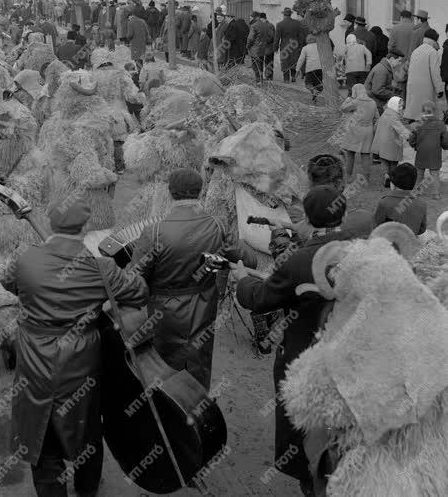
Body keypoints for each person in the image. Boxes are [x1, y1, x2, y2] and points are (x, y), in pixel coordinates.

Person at [2, 195, 148, 497]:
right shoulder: (102, 267)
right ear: (85, 227)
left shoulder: (25, 258)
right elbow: (139, 292)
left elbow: (8, 282)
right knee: (85, 428)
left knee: (40, 432)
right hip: (81, 362)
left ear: (51, 223)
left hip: (33, 357)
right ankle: (86, 489)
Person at [232, 185, 351, 497]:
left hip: (304, 358)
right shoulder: (361, 251)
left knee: (306, 434)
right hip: (349, 359)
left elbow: (259, 299)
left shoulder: (299, 261)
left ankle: (311, 483)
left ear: (307, 218)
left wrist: (242, 278)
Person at [130, 169, 255, 389]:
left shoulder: (154, 231)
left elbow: (134, 282)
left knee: (165, 368)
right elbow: (247, 259)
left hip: (165, 313)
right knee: (200, 361)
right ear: (201, 191)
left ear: (170, 193)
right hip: (204, 307)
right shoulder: (219, 225)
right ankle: (200, 413)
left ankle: (171, 411)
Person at [408, 101, 448, 199]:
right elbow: (445, 139)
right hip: (435, 152)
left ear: (422, 112)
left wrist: (415, 146)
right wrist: (444, 146)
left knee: (419, 173)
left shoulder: (418, 124)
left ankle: (415, 193)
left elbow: (412, 138)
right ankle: (436, 194)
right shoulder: (440, 124)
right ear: (434, 112)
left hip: (421, 151)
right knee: (435, 174)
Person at [373, 162, 427, 234]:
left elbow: (376, 226)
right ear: (414, 182)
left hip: (388, 243)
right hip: (411, 242)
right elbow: (422, 229)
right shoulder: (422, 204)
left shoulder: (384, 202)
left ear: (394, 183)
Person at [339, 84, 378, 181]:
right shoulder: (373, 102)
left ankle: (348, 177)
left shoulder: (355, 102)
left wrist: (349, 99)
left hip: (354, 130)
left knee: (350, 153)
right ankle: (366, 178)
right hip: (368, 131)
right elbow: (377, 118)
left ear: (355, 91)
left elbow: (343, 108)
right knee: (365, 155)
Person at [404, 28, 444, 122]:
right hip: (425, 87)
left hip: (412, 85)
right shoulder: (432, 52)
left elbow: (410, 69)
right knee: (425, 113)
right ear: (434, 40)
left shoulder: (416, 51)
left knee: (414, 111)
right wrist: (439, 89)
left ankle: (414, 129)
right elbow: (435, 72)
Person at [371, 96, 407, 188]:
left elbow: (375, 126)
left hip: (381, 143)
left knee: (384, 161)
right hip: (393, 143)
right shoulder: (394, 117)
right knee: (394, 162)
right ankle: (392, 178)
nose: (401, 108)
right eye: (399, 106)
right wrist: (411, 137)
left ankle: (386, 176)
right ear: (393, 106)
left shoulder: (384, 114)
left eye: (402, 106)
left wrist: (377, 135)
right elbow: (401, 130)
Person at [274, 7, 305, 82]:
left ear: (284, 15)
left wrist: (275, 48)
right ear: (290, 15)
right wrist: (300, 46)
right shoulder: (297, 23)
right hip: (295, 45)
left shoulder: (279, 24)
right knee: (294, 61)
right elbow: (301, 36)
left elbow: (277, 38)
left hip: (284, 45)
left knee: (285, 62)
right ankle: (293, 77)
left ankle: (286, 78)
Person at [296, 35, 323, 103]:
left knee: (308, 84)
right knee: (318, 84)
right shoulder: (320, 46)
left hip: (310, 69)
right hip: (320, 68)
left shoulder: (305, 48)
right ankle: (314, 97)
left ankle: (313, 92)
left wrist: (297, 70)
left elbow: (301, 59)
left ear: (307, 40)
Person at [246, 11, 269, 84]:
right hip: (263, 48)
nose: (250, 19)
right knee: (261, 65)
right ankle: (261, 79)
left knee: (255, 65)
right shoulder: (265, 25)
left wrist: (247, 46)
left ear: (255, 17)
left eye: (251, 17)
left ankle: (258, 80)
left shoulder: (254, 26)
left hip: (255, 49)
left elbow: (250, 38)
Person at [261, 12, 276, 80]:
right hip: (269, 47)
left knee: (268, 61)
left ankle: (268, 76)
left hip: (268, 47)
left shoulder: (268, 26)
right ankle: (269, 76)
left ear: (263, 19)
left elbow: (271, 37)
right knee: (269, 61)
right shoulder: (270, 25)